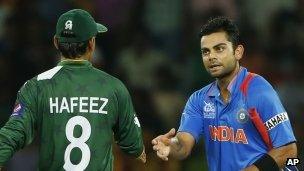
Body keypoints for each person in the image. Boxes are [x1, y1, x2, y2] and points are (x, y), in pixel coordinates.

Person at [0, 9, 146, 170]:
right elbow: (133, 146)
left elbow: (12, 134)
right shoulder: (114, 87)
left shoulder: (36, 86)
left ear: (56, 42)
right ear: (91, 43)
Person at [152, 17, 297, 171]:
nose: (211, 57)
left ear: (238, 52)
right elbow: (182, 146)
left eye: (219, 48)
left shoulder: (259, 91)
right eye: (205, 51)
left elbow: (289, 152)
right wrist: (170, 146)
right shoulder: (199, 100)